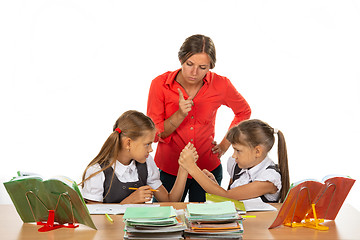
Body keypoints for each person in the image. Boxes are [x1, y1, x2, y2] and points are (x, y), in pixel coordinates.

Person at [147, 34, 251, 202]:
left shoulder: (221, 84)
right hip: (169, 170)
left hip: (207, 169)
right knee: (167, 222)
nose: (194, 72)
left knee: (206, 225)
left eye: (203, 67)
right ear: (181, 59)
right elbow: (155, 135)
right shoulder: (159, 84)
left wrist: (225, 145)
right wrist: (180, 114)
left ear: (211, 66)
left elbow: (243, 111)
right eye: (189, 64)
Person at [81, 110, 198, 203]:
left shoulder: (147, 163)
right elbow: (95, 217)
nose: (151, 149)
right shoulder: (97, 171)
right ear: (128, 143)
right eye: (147, 144)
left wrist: (184, 167)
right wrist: (130, 201)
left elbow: (170, 200)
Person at [178, 119, 290, 203]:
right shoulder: (237, 165)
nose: (234, 155)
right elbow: (231, 199)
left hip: (258, 232)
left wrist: (192, 168)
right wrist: (214, 184)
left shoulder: (269, 179)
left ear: (257, 151)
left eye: (238, 150)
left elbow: (228, 195)